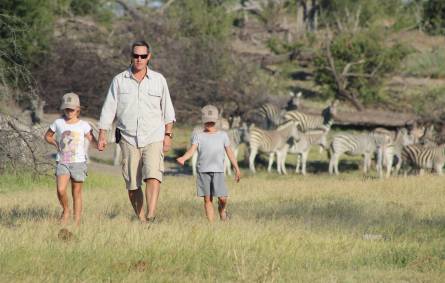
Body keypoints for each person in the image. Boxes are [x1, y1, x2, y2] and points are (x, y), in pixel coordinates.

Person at [98, 40, 175, 224]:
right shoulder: (119, 80)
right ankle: (142, 221)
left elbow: (168, 111)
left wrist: (168, 135)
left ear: (149, 57)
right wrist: (102, 134)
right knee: (132, 184)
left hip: (154, 136)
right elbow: (109, 109)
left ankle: (151, 215)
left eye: (142, 56)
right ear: (131, 57)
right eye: (135, 56)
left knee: (153, 176)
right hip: (128, 137)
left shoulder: (159, 80)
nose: (139, 59)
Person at [176, 105, 240, 222]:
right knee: (207, 199)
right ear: (203, 121)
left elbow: (230, 152)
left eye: (211, 122)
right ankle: (211, 226)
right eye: (207, 122)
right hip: (203, 171)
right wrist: (183, 158)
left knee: (223, 198)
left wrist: (236, 167)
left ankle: (222, 210)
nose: (209, 124)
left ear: (215, 121)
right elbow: (191, 150)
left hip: (218, 171)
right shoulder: (198, 136)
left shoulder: (223, 136)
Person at [44, 92, 97, 226]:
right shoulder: (58, 123)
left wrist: (100, 144)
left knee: (76, 192)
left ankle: (77, 222)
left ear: (78, 109)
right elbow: (48, 136)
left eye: (72, 109)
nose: (69, 111)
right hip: (63, 161)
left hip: (78, 162)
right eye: (67, 109)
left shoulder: (84, 125)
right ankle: (66, 210)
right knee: (61, 190)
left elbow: (93, 140)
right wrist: (56, 144)